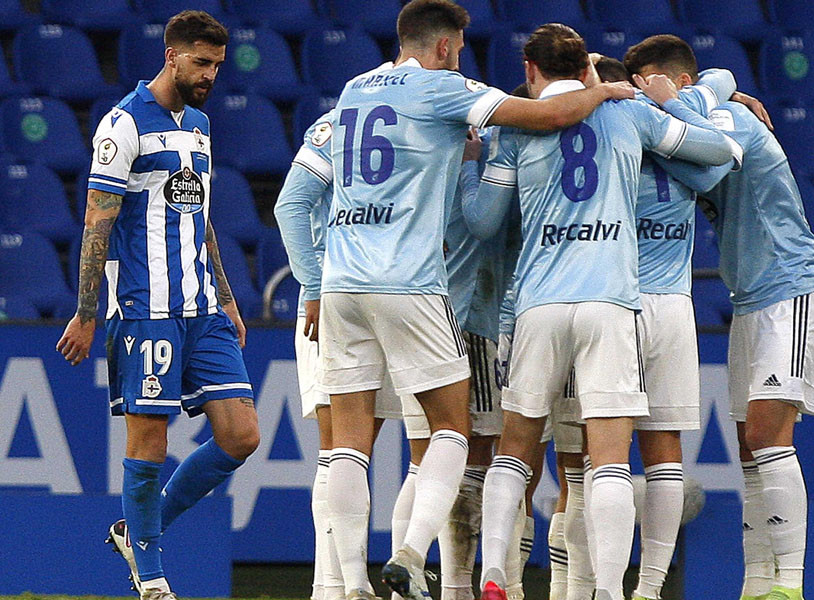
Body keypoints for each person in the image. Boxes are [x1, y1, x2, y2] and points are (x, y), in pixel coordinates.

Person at [307, 2, 634, 599]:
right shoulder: (440, 87)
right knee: (452, 431)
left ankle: (350, 583)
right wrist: (603, 92)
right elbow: (550, 113)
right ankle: (410, 551)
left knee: (347, 443)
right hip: (406, 280)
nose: (459, 56)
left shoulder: (353, 90)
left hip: (340, 280)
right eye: (457, 47)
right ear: (443, 47)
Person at [466, 23, 739, 600]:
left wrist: (477, 164)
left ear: (531, 66)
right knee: (609, 459)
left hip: (539, 302)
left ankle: (494, 572)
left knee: (516, 446)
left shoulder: (518, 125)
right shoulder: (626, 114)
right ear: (587, 69)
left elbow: (486, 222)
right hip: (610, 304)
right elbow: (716, 153)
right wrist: (692, 106)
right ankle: (613, 591)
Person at [55, 11, 259, 600]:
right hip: (145, 308)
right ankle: (152, 579)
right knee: (149, 440)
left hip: (202, 309)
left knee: (241, 436)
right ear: (171, 56)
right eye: (201, 63)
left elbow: (200, 214)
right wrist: (87, 312)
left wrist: (226, 295)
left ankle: (138, 531)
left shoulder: (198, 124)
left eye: (218, 65)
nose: (211, 75)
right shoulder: (123, 126)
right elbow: (97, 220)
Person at [625, 34, 814, 600]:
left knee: (769, 433)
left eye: (648, 87)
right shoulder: (713, 107)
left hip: (792, 288)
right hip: (751, 296)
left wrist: (690, 106)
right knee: (747, 446)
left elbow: (703, 169)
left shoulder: (728, 124)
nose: (643, 100)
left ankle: (790, 584)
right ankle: (756, 582)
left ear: (676, 83)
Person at [274, 106, 406, 600]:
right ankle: (333, 587)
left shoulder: (408, 118)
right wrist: (312, 284)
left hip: (379, 297)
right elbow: (290, 205)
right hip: (336, 298)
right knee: (340, 447)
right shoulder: (340, 124)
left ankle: (335, 586)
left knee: (350, 449)